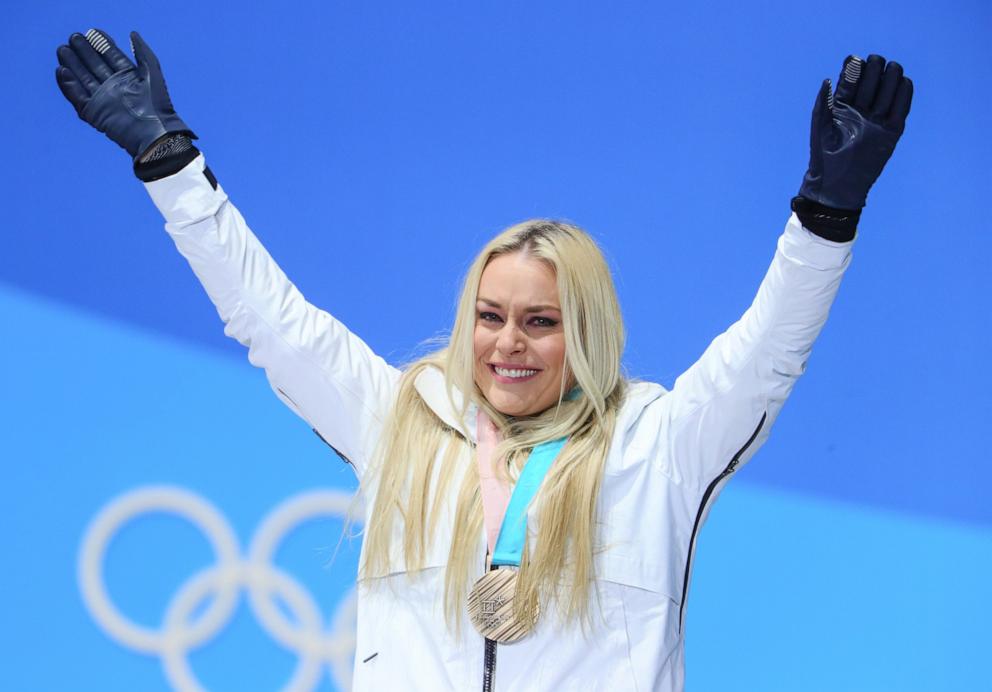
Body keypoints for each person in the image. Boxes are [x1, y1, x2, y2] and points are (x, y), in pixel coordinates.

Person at [55, 28, 912, 691]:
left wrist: (826, 214)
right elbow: (272, 322)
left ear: (587, 332)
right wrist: (171, 168)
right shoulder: (400, 421)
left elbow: (767, 355)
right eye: (490, 316)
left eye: (540, 321)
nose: (508, 343)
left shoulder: (663, 446)